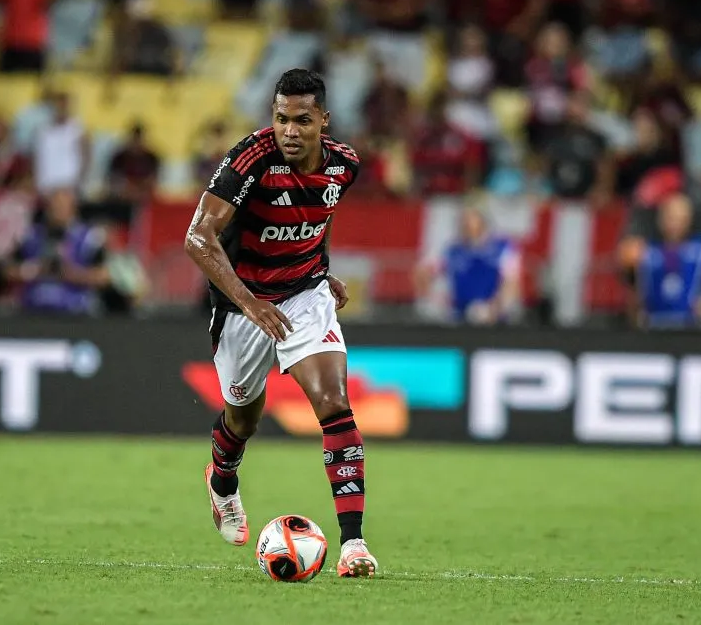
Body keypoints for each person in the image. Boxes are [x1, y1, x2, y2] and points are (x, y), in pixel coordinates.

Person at [184, 69, 377, 578]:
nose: (289, 130)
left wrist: (321, 269)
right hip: (242, 301)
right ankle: (222, 479)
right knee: (243, 417)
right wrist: (249, 304)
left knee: (334, 402)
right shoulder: (249, 159)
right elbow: (197, 238)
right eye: (281, 119)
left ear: (324, 122)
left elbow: (323, 215)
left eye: (302, 120)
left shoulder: (345, 166)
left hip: (303, 296)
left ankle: (354, 544)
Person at [628, 193, 701, 328]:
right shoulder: (645, 251)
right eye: (671, 218)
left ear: (689, 220)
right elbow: (634, 292)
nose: (675, 224)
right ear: (660, 219)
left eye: (681, 219)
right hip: (654, 328)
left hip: (694, 330)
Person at [5, 188, 110, 315]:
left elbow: (103, 276)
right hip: (33, 310)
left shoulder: (90, 238)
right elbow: (8, 270)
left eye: (61, 207)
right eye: (52, 207)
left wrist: (71, 274)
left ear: (73, 209)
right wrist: (35, 270)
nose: (56, 211)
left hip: (75, 313)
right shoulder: (31, 236)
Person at [414, 204, 521, 324]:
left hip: (494, 316)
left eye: (470, 219)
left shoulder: (503, 247)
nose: (465, 224)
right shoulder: (453, 250)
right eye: (463, 221)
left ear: (482, 222)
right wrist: (434, 299)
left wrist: (494, 308)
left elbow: (511, 282)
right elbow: (423, 272)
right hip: (460, 315)